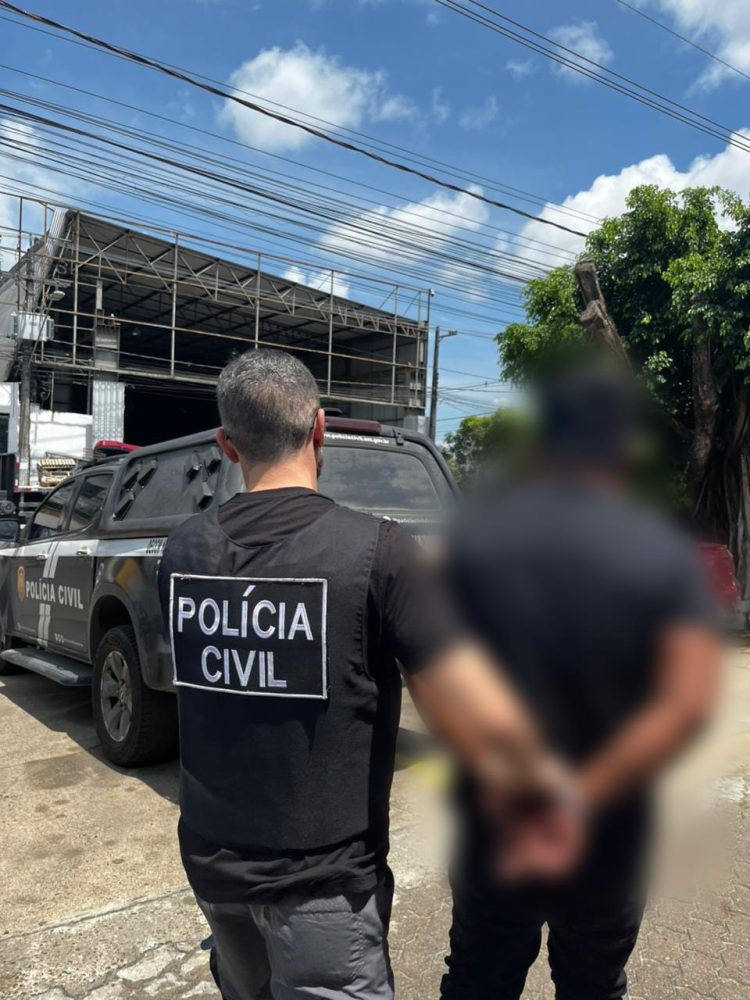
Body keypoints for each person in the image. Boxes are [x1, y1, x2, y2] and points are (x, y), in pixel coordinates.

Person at [158, 348, 577, 1000]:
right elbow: (475, 718)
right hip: (323, 885)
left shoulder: (182, 548)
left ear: (227, 445)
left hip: (212, 864)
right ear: (320, 429)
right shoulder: (377, 551)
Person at [442, 368, 722, 1000]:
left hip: (498, 823)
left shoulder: (477, 548)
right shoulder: (663, 557)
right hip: (609, 831)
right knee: (593, 985)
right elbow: (684, 703)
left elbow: (440, 682)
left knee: (479, 980)